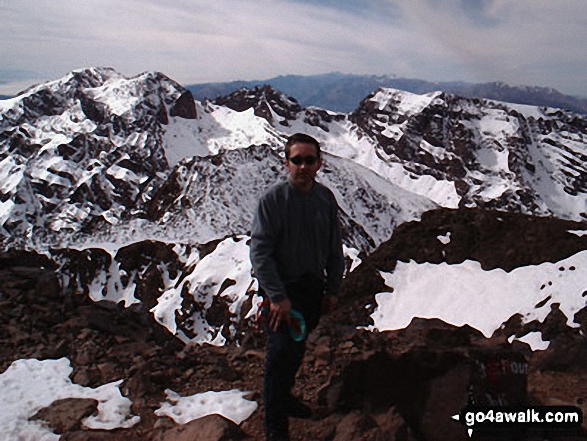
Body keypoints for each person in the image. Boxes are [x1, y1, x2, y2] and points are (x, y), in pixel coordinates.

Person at [250, 133, 345, 440]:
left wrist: (332, 289)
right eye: (297, 160)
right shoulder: (272, 201)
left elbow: (334, 249)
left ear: (319, 163)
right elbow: (260, 252)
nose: (303, 166)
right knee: (280, 354)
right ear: (286, 163)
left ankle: (286, 399)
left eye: (309, 160)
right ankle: (276, 430)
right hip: (282, 292)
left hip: (311, 290)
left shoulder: (325, 199)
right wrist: (277, 297)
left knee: (295, 349)